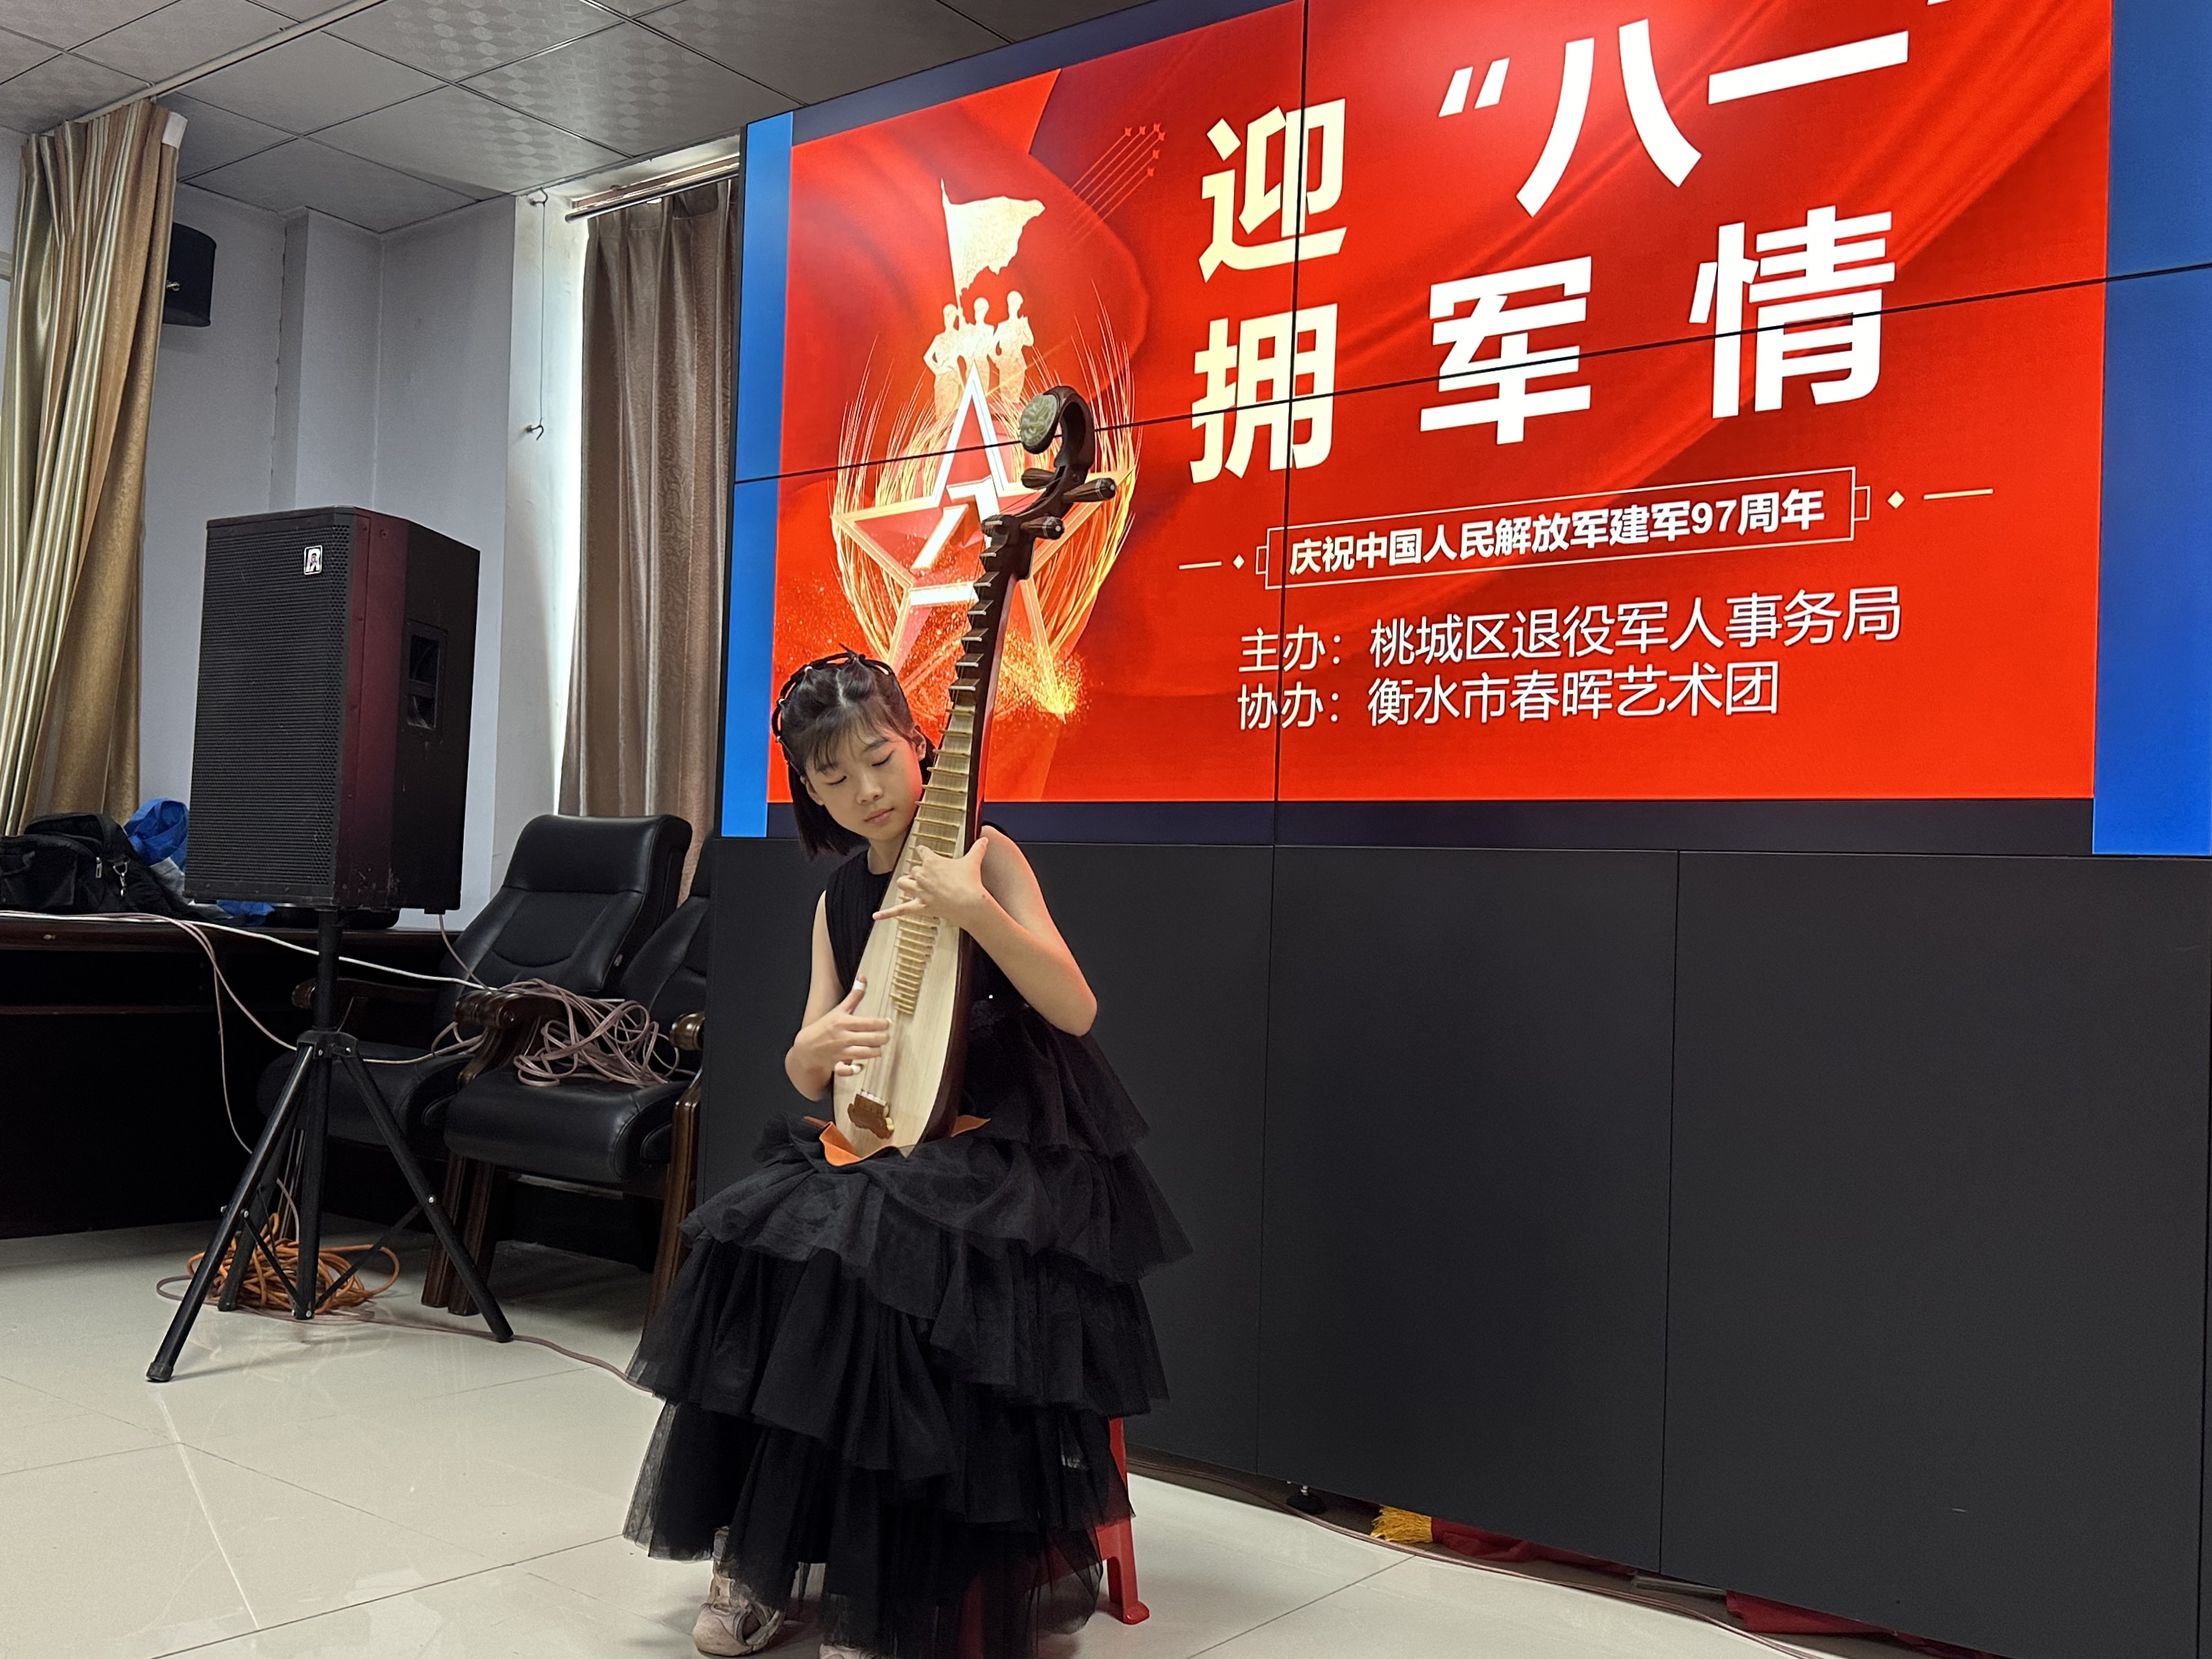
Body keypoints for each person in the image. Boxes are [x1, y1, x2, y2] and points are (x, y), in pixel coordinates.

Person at [625, 648, 1188, 1659]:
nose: (866, 791)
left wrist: (975, 911)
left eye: (880, 759)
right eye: (833, 776)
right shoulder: (837, 900)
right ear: (809, 791)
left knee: (872, 1257)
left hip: (1008, 1147)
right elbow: (808, 1066)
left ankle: (882, 1590)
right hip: (887, 1133)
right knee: (756, 1246)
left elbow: (1074, 1006)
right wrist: (817, 1045)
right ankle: (759, 1560)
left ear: (923, 745)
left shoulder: (987, 853)